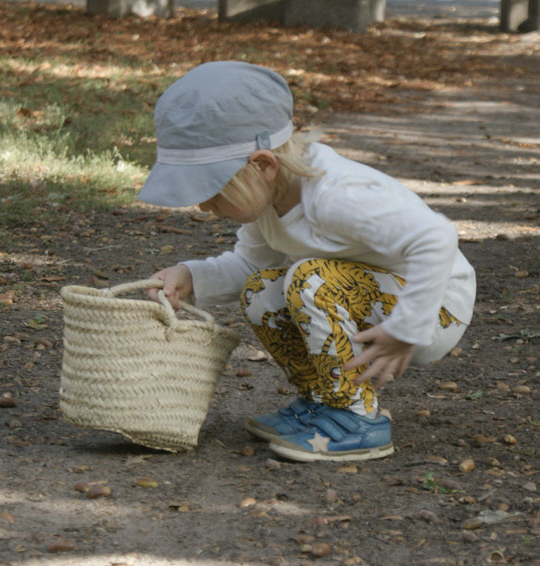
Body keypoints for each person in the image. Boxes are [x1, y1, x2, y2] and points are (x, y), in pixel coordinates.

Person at [137, 61, 476, 462]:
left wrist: (407, 327)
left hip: (432, 307)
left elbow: (435, 238)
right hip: (378, 304)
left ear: (263, 166)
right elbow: (247, 267)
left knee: (308, 278)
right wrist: (191, 275)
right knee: (261, 288)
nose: (203, 205)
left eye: (211, 189)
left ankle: (358, 418)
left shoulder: (338, 194)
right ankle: (323, 401)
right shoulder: (269, 201)